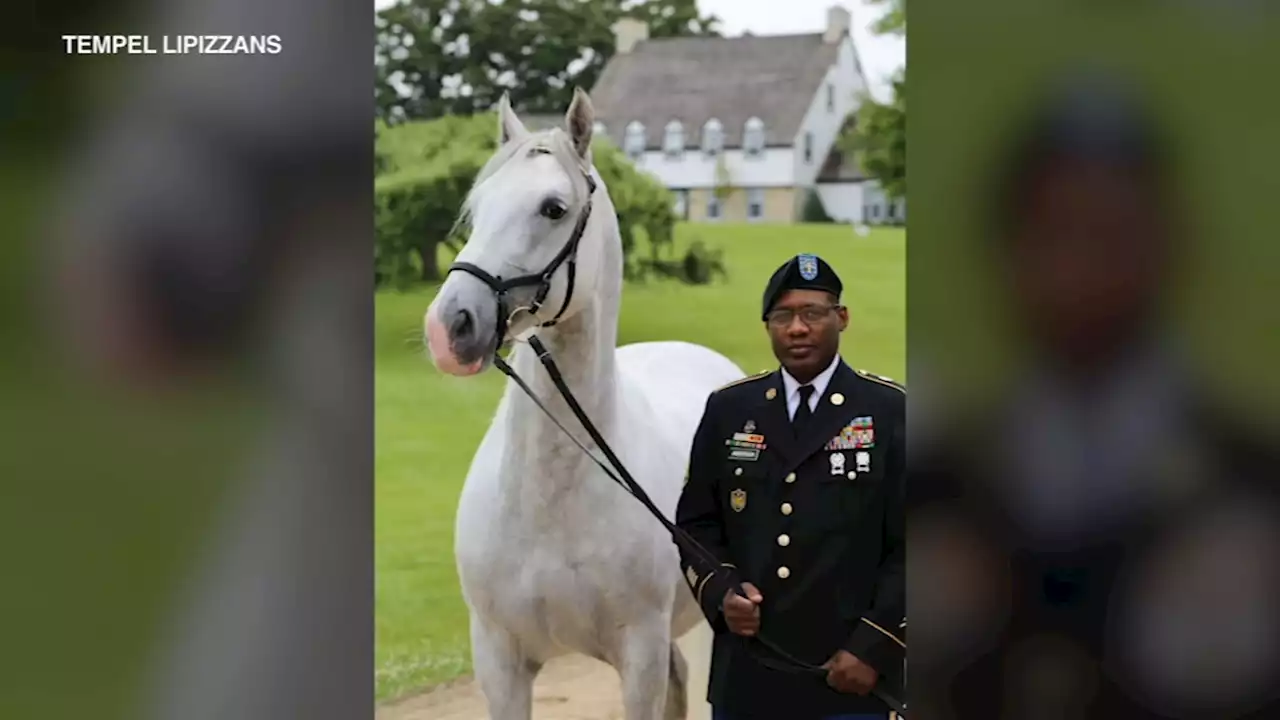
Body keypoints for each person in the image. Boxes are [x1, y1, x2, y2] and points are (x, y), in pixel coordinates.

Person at [675, 253, 905, 720]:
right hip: (749, 677)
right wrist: (721, 592)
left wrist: (876, 644)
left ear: (841, 318)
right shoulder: (729, 410)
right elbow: (696, 524)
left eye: (812, 313)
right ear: (768, 326)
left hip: (849, 676)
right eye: (782, 316)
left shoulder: (891, 412)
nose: (797, 328)